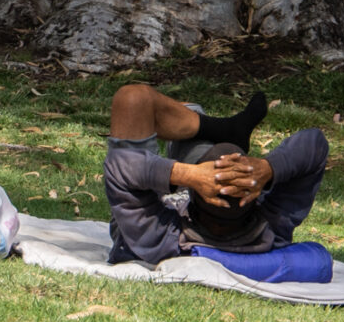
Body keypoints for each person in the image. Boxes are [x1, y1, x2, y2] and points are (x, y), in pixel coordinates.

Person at [101, 83, 330, 266]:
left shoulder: (159, 237)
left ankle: (220, 128)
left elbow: (120, 164)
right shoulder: (271, 227)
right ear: (255, 196)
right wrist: (267, 168)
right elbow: (315, 143)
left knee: (133, 99)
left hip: (145, 198)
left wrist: (190, 175)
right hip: (201, 194)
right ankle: (225, 131)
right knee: (190, 120)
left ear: (192, 195)